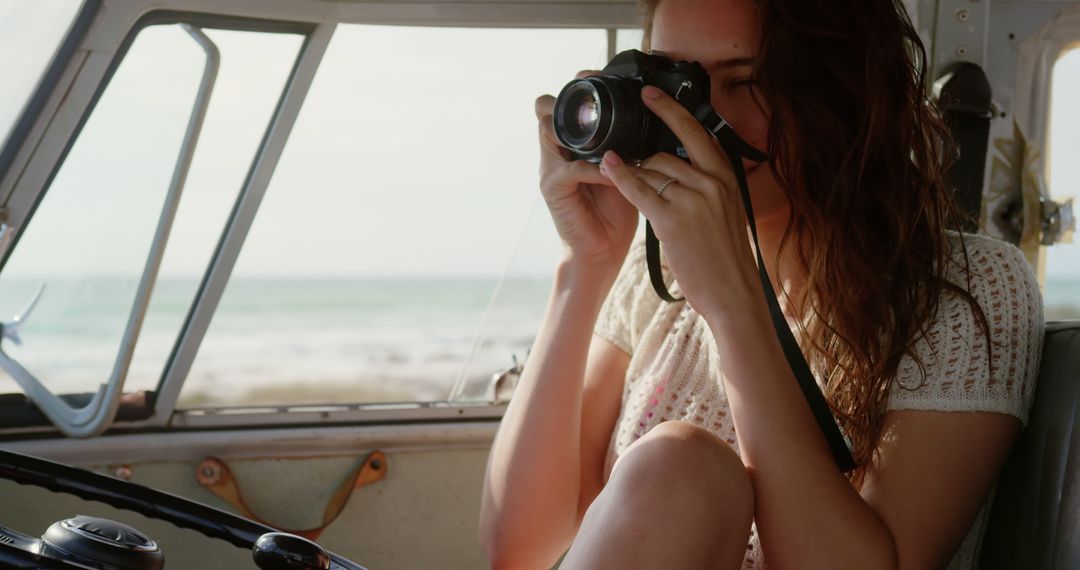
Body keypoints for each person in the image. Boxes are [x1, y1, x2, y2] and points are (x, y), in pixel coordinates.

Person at [478, 0, 1045, 567]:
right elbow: (520, 547)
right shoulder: (656, 275)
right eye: (673, 83)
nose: (698, 117)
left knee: (680, 470)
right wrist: (586, 263)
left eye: (746, 81)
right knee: (677, 470)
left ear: (845, 93)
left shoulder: (969, 290)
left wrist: (733, 307)